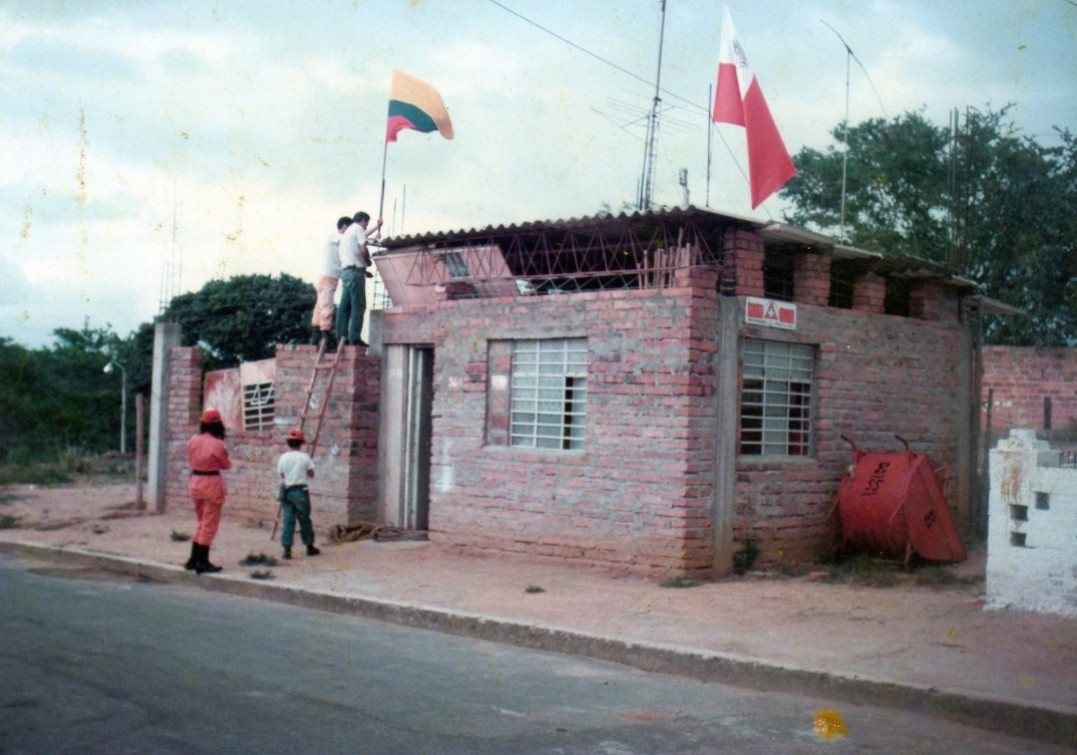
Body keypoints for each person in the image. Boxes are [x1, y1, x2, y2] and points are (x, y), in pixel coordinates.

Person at [185, 409, 232, 574]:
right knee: (209, 524)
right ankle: (202, 561)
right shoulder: (217, 444)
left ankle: (193, 559)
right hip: (211, 483)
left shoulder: (193, 440)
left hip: (195, 481)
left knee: (201, 522)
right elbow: (226, 464)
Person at [336, 210, 383, 347]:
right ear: (362, 220)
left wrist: (377, 227)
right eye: (366, 223)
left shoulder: (348, 232)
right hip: (355, 273)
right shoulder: (358, 229)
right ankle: (354, 338)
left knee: (344, 307)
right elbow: (363, 249)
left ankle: (341, 337)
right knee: (359, 305)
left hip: (346, 273)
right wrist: (368, 262)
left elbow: (363, 236)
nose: (366, 226)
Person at [310, 216, 353, 349]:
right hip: (328, 277)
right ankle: (325, 334)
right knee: (327, 306)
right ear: (345, 226)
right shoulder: (335, 237)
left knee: (320, 306)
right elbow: (352, 239)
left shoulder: (338, 241)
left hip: (328, 277)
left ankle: (316, 334)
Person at [277, 428, 319, 559]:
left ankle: (287, 550)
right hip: (301, 491)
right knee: (304, 519)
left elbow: (282, 474)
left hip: (287, 491)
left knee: (288, 520)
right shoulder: (304, 457)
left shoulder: (283, 457)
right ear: (301, 444)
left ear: (288, 443)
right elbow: (311, 474)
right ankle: (309, 547)